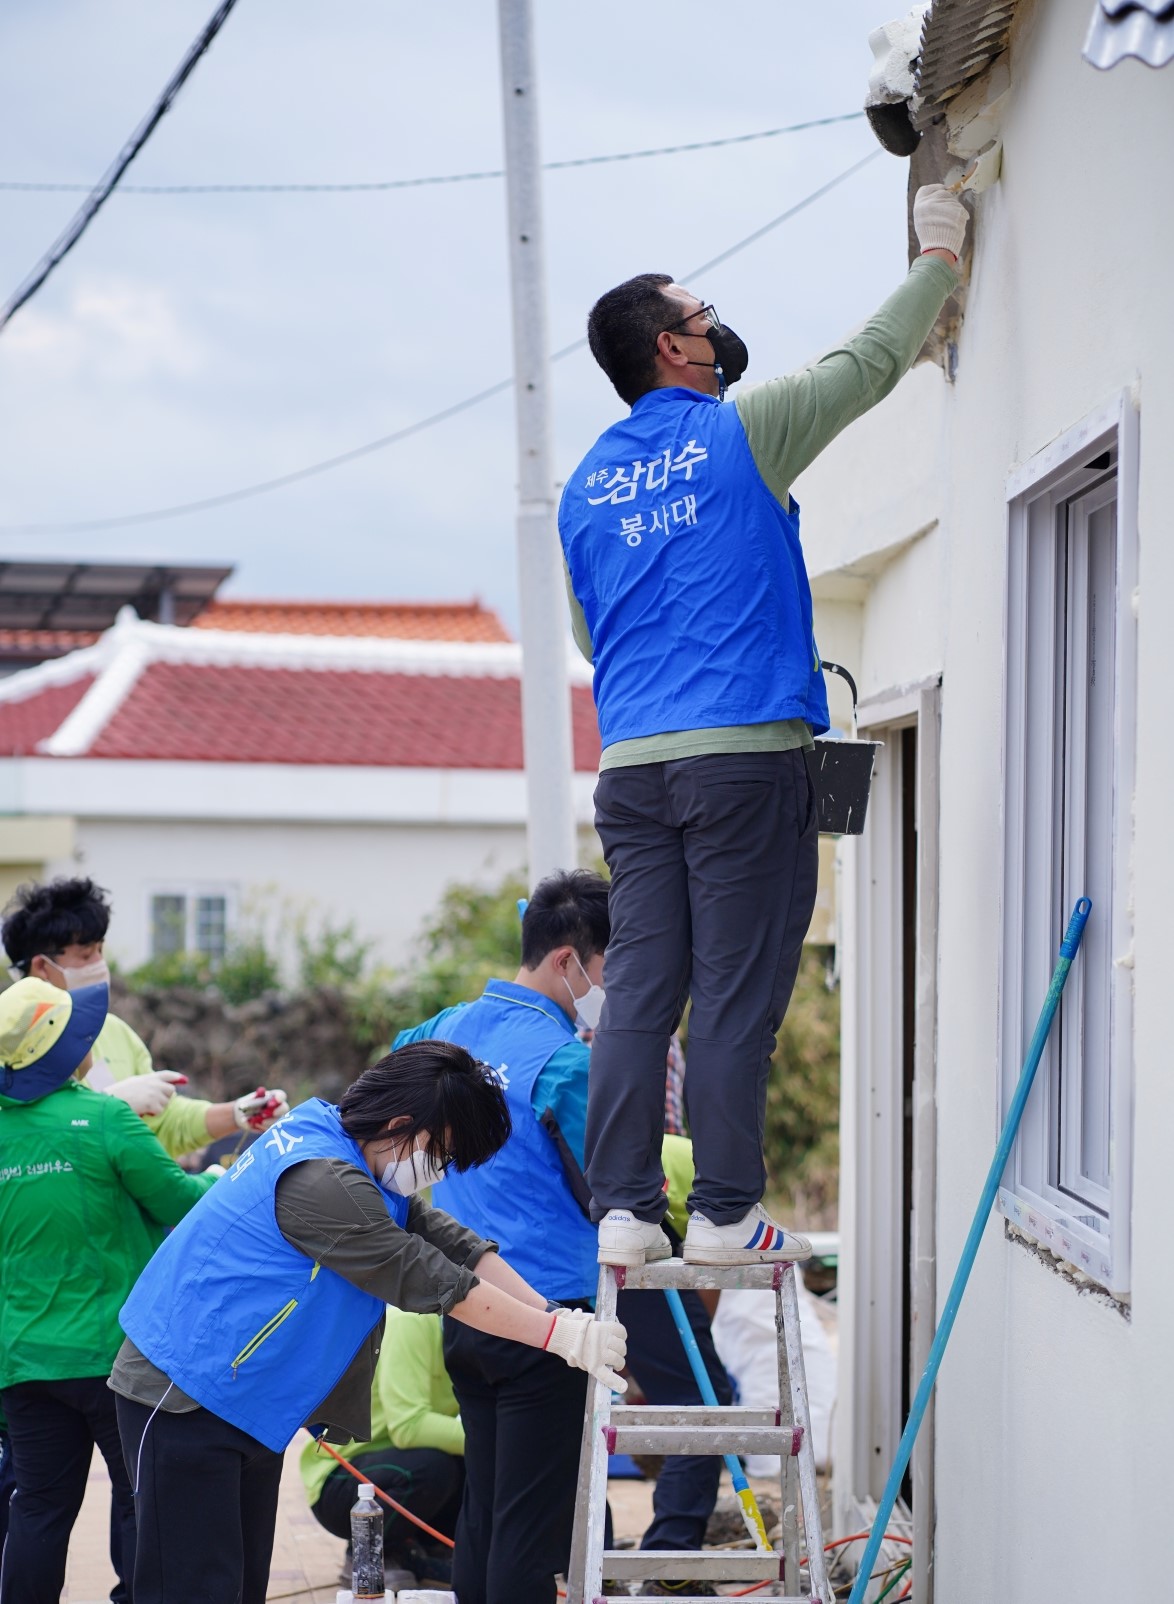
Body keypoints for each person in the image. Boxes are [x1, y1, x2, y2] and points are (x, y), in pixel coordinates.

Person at [558, 186, 969, 1269]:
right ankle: (730, 1208)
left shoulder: (585, 487)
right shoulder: (741, 430)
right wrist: (938, 254)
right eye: (703, 317)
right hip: (744, 761)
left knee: (640, 989)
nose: (717, 329)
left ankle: (625, 1208)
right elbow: (866, 365)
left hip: (634, 767)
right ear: (673, 348)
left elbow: (594, 633)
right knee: (735, 995)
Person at [110, 1041, 627, 1604]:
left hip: (244, 1399)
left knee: (234, 1587)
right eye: (442, 1153)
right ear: (402, 1123)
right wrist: (561, 1338)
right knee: (191, 1589)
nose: (440, 1170)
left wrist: (552, 1313)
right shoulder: (321, 1179)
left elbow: (450, 1242)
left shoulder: (350, 1148)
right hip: (182, 1390)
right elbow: (429, 1278)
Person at [397, 869, 734, 1604]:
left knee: (485, 1515)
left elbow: (387, 1107)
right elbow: (626, 1186)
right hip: (551, 1319)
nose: (615, 987)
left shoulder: (439, 1032)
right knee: (532, 1532)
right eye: (613, 970)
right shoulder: (568, 1064)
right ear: (567, 960)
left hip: (464, 1304)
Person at [0, 975, 216, 1604]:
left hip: (24, 1361)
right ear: (57, 1053)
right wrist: (226, 1176)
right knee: (136, 1498)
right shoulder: (103, 1118)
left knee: (38, 1506)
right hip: (113, 1361)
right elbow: (180, 1200)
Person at [2, 877, 288, 1155]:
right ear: (41, 967)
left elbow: (165, 1122)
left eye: (101, 950)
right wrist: (110, 1105)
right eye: (87, 955)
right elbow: (22, 1137)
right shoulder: (8, 1040)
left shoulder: (114, 1032)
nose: (100, 965)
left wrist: (238, 1112)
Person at [299, 1308, 463, 1591]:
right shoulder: (412, 1319)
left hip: (401, 1465)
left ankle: (425, 1548)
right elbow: (408, 1426)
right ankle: (369, 1553)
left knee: (475, 1464)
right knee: (437, 1468)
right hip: (342, 1481)